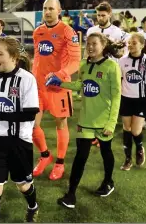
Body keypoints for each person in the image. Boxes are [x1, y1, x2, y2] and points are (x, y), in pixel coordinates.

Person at [48, 32, 121, 208]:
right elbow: (80, 85)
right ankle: (71, 195)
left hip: (104, 121)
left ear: (103, 45)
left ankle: (108, 181)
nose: (89, 47)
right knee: (80, 157)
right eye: (87, 44)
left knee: (106, 152)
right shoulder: (83, 64)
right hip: (86, 120)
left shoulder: (112, 67)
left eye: (94, 43)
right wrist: (60, 83)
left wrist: (112, 123)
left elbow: (117, 95)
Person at [0, 36, 40, 223]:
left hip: (20, 142)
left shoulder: (27, 79)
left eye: (0, 54)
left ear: (13, 57)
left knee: (23, 185)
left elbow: (30, 115)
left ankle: (33, 206)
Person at [31, 0, 81, 181]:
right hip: (38, 87)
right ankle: (45, 156)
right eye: (45, 8)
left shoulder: (68, 32)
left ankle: (59, 162)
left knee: (61, 124)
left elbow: (76, 62)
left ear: (59, 11)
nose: (47, 12)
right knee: (31, 124)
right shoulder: (38, 32)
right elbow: (37, 58)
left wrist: (60, 74)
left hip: (59, 87)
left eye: (51, 8)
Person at [118, 32, 146, 171]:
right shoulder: (122, 61)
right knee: (126, 129)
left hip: (141, 100)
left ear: (142, 45)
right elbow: (119, 80)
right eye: (129, 43)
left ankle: (139, 147)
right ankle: (127, 159)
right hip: (126, 99)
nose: (130, 45)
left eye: (134, 43)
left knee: (135, 131)